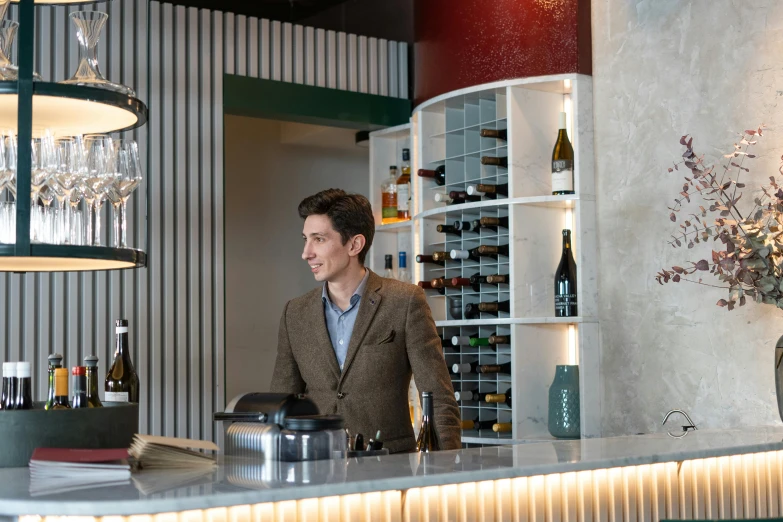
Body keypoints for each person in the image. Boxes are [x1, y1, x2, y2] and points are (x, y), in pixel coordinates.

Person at [270, 188, 461, 453]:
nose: (306, 252)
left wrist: (447, 468)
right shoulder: (295, 313)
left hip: (390, 466)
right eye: (305, 239)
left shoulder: (404, 301)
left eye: (319, 239)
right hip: (314, 467)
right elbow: (281, 404)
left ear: (354, 245)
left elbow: (438, 397)